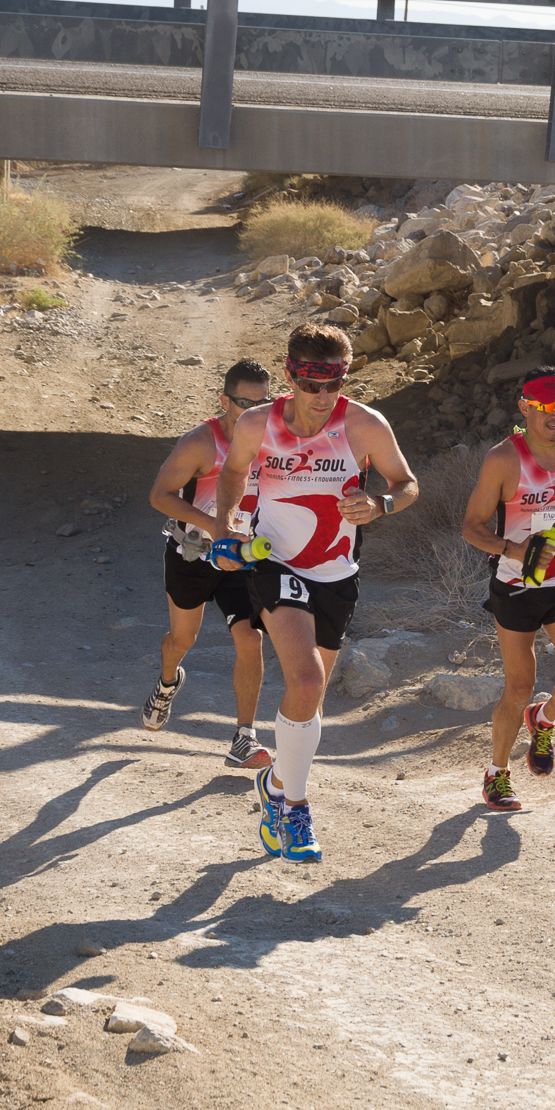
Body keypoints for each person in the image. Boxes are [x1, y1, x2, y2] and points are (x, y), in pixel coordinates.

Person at [211, 322, 418, 863]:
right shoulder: (259, 423)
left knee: (310, 697)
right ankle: (294, 809)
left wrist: (380, 506)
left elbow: (407, 483)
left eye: (334, 383)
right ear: (290, 376)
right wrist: (225, 525)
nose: (322, 396)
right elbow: (233, 472)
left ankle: (277, 781)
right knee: (307, 677)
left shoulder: (364, 424)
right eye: (310, 383)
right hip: (274, 562)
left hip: (337, 571)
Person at [458, 366, 555, 811]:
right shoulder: (504, 459)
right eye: (545, 407)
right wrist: (513, 549)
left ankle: (543, 720)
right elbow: (471, 527)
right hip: (516, 587)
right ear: (525, 408)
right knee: (518, 687)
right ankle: (496, 775)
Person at [141, 359, 274, 770]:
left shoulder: (273, 442)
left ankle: (244, 737)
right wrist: (217, 526)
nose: (253, 411)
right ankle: (167, 683)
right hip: (192, 553)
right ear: (224, 400)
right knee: (182, 642)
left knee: (250, 639)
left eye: (263, 402)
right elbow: (160, 496)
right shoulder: (200, 442)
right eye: (243, 402)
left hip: (243, 559)